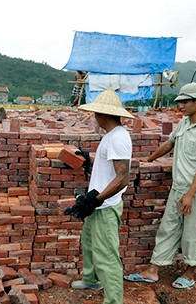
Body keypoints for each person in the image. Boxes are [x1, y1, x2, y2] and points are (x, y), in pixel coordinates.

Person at [124, 82, 196, 289]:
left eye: (185, 102)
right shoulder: (184, 123)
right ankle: (153, 271)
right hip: (178, 188)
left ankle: (190, 272)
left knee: (193, 233)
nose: (181, 106)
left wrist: (190, 195)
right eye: (180, 102)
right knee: (167, 229)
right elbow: (169, 144)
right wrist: (149, 160)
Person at [65, 89, 134, 304]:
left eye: (96, 113)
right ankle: (91, 279)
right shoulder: (111, 136)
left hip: (105, 205)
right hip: (99, 202)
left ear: (104, 115)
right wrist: (88, 157)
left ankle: (114, 300)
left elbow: (123, 177)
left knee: (107, 256)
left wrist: (96, 200)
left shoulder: (118, 138)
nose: (95, 117)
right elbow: (109, 163)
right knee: (89, 243)